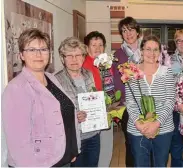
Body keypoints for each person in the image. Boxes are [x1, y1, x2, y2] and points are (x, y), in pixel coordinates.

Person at [2, 28, 80, 167]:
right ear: (21, 55)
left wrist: (73, 150)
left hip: (63, 159)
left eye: (43, 49)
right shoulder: (17, 89)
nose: (38, 54)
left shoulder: (51, 79)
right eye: (31, 50)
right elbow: (19, 145)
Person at [125, 35, 175, 167]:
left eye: (155, 49)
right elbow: (130, 102)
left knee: (160, 165)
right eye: (148, 49)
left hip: (163, 129)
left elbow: (170, 101)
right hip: (138, 129)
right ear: (141, 51)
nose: (152, 53)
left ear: (160, 52)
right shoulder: (131, 71)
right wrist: (140, 125)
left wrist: (156, 124)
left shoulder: (166, 72)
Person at [55, 37, 100, 167]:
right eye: (69, 55)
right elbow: (54, 111)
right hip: (73, 138)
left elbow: (94, 98)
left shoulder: (89, 74)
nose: (74, 59)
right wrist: (72, 116)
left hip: (93, 134)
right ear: (63, 58)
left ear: (83, 57)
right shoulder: (56, 80)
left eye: (78, 55)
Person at [111, 16, 141, 166]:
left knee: (148, 141)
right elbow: (115, 81)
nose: (128, 34)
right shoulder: (117, 55)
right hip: (127, 106)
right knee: (130, 142)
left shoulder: (147, 50)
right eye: (124, 31)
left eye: (131, 30)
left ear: (137, 32)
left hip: (148, 103)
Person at [82, 31, 114, 167]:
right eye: (93, 45)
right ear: (87, 47)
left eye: (100, 45)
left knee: (106, 147)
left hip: (107, 112)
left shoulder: (106, 63)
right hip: (90, 115)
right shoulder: (82, 65)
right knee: (92, 150)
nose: (97, 48)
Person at [168, 29, 183, 167]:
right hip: (175, 111)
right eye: (179, 40)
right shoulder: (168, 61)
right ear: (175, 43)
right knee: (176, 148)